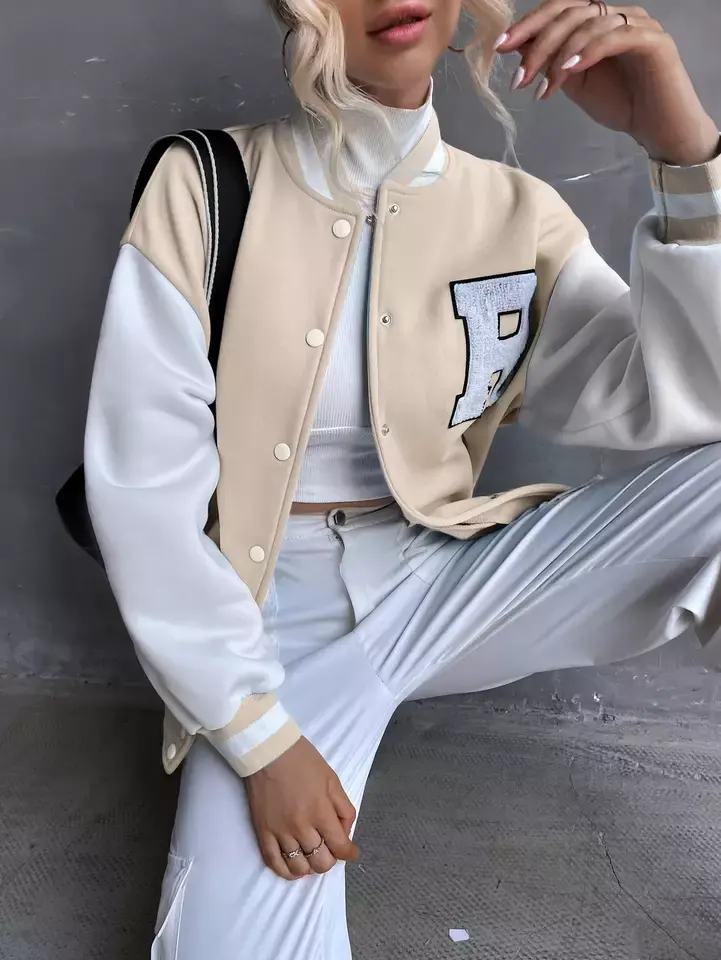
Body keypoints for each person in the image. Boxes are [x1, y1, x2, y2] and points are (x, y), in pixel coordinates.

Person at [83, 0, 721, 956]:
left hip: (446, 577)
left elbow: (689, 397)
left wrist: (683, 154)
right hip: (265, 616)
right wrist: (258, 737)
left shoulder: (515, 212)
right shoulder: (207, 185)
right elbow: (143, 494)